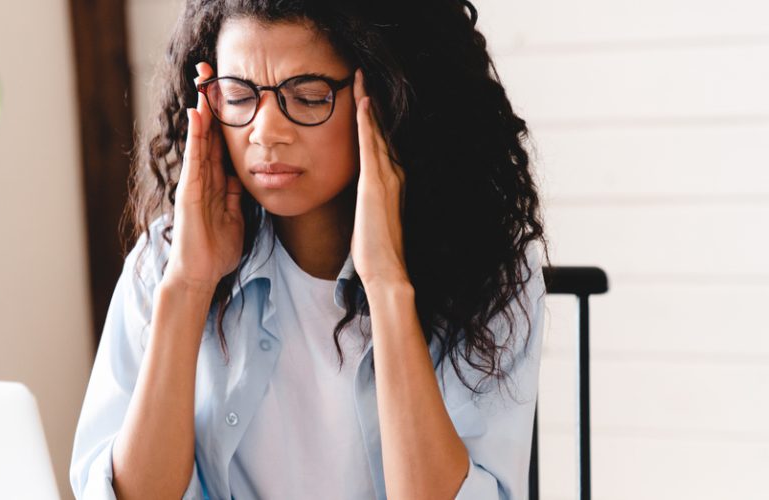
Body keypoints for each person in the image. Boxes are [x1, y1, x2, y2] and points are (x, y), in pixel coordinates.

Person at [70, 0, 549, 498]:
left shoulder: (489, 272)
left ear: (388, 96)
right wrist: (189, 286)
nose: (266, 132)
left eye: (308, 96)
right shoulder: (167, 260)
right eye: (237, 95)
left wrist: (387, 288)